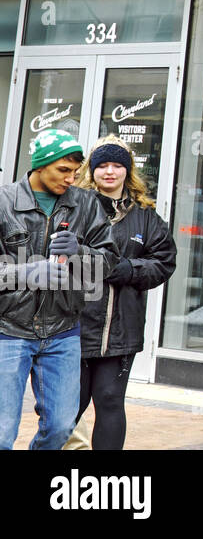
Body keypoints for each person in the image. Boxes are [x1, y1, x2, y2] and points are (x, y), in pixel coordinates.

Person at [0, 130, 116, 450]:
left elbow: (108, 264)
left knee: (62, 428)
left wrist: (80, 251)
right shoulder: (4, 202)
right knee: (1, 433)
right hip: (7, 330)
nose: (70, 179)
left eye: (75, 173)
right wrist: (26, 272)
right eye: (63, 170)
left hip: (63, 329)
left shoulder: (86, 204)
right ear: (40, 166)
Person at [69, 136, 176, 450]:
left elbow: (163, 262)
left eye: (117, 165)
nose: (110, 172)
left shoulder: (146, 216)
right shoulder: (74, 206)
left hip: (120, 330)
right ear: (92, 170)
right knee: (68, 407)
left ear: (128, 171)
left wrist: (122, 269)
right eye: (102, 165)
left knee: (110, 401)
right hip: (73, 326)